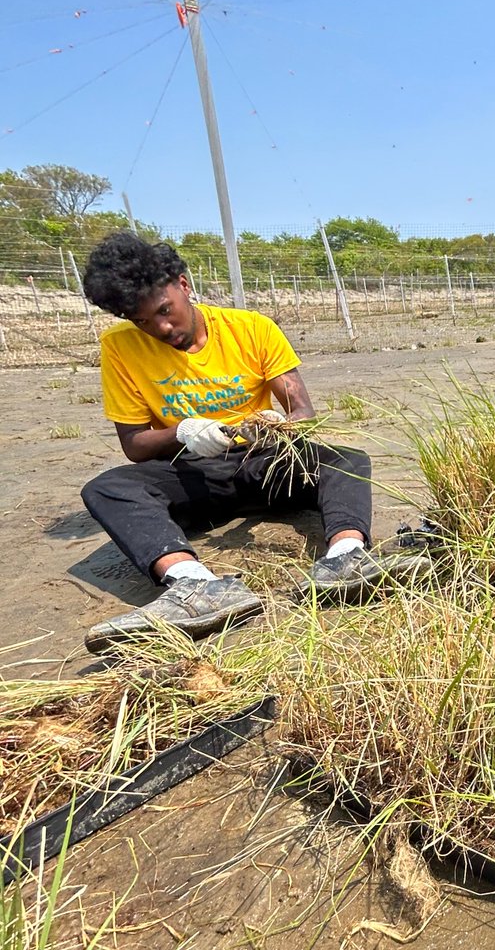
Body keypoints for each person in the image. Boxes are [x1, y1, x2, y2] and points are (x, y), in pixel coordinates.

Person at [79, 233, 419, 654]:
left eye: (165, 311)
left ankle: (345, 559)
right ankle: (197, 587)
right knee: (108, 487)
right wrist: (182, 432)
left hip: (267, 464)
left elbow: (301, 411)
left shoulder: (252, 329)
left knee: (344, 459)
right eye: (143, 321)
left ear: (184, 286)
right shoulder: (120, 348)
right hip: (194, 475)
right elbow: (135, 444)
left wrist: (276, 426)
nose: (161, 328)